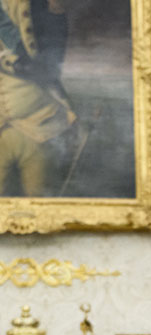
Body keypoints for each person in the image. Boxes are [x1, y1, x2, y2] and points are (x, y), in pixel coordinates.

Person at [0, 0, 77, 196]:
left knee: (40, 206)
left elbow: (48, 62)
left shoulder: (34, 6)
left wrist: (21, 63)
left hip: (40, 125)